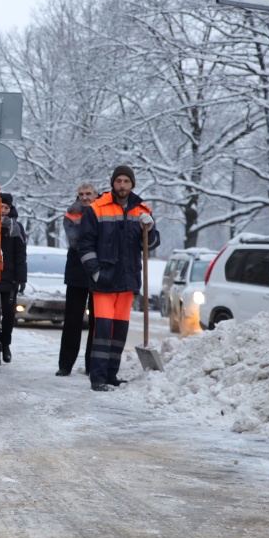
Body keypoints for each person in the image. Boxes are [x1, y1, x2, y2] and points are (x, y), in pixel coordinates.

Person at [77, 166, 159, 391]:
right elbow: (84, 245)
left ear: (132, 184)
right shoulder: (97, 209)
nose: (122, 185)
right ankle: (98, 378)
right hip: (104, 282)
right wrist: (96, 272)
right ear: (113, 183)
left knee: (118, 333)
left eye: (126, 181)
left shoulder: (142, 210)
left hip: (127, 281)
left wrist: (149, 228)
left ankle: (111, 375)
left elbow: (150, 245)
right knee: (103, 331)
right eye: (118, 181)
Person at [56, 183, 98, 377]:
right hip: (76, 272)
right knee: (72, 320)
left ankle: (93, 365)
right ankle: (65, 365)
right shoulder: (71, 213)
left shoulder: (103, 211)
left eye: (88, 193)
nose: (84, 197)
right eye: (81, 194)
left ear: (95, 194)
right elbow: (75, 241)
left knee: (97, 321)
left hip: (99, 271)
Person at [0, 192, 27, 365]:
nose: (3, 210)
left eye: (6, 207)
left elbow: (20, 255)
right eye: (0, 207)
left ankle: (6, 345)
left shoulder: (16, 228)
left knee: (9, 314)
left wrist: (21, 278)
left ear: (10, 209)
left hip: (10, 278)